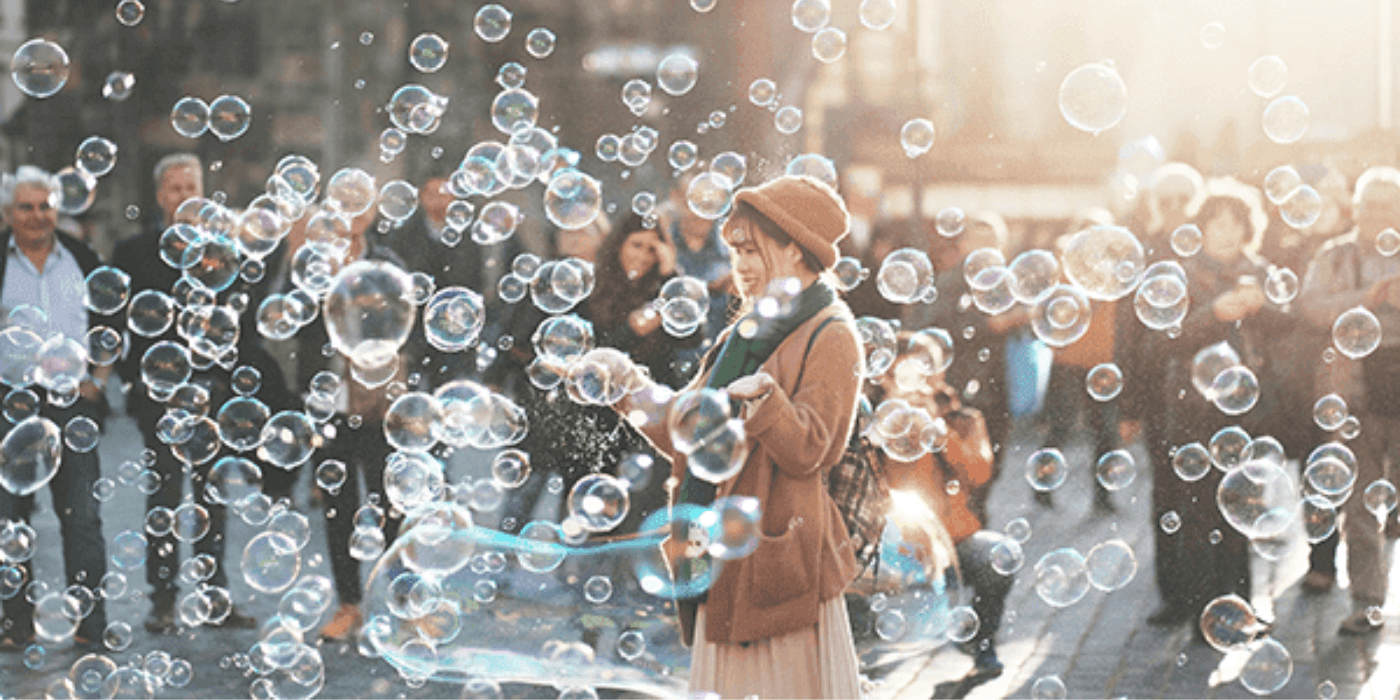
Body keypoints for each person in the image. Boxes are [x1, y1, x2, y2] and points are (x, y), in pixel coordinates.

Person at [618, 174, 863, 698]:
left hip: (779, 565)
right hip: (720, 554)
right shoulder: (744, 333)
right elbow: (691, 427)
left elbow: (813, 450)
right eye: (735, 251)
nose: (740, 266)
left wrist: (767, 403)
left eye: (751, 250)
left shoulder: (831, 331)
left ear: (795, 249)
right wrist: (626, 389)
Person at [111, 153, 265, 633]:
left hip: (213, 393)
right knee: (163, 499)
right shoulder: (133, 251)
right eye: (174, 188)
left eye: (190, 187)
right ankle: (162, 600)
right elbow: (118, 325)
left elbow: (243, 320)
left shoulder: (223, 251)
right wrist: (138, 380)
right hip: (159, 396)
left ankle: (213, 596)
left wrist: (227, 379)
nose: (183, 196)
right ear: (160, 196)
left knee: (212, 496)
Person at [1144, 179, 1292, 627]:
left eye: (1234, 223)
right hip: (1193, 410)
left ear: (1248, 228)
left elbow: (1292, 324)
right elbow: (1160, 340)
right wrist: (1215, 313)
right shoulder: (1183, 273)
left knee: (1243, 508)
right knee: (1196, 511)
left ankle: (1239, 606)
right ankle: (1199, 611)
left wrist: (1260, 308)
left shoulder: (1261, 270)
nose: (1225, 232)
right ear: (1201, 228)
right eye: (1216, 223)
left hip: (1250, 409)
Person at [0, 166, 111, 651]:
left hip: (72, 403)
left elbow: (112, 323)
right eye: (26, 206)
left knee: (82, 515)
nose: (37, 215)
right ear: (7, 212)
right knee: (8, 518)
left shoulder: (83, 257)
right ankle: (13, 625)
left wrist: (98, 382)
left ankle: (92, 623)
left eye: (45, 205)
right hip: (9, 402)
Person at [873, 332, 1011, 682]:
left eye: (928, 369)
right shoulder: (870, 421)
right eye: (908, 372)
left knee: (1000, 556)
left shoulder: (962, 418)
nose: (922, 379)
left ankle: (981, 642)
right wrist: (888, 424)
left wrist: (937, 430)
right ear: (888, 376)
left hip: (954, 539)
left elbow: (980, 474)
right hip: (891, 543)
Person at [1298, 166, 1400, 635]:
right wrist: (1372, 296)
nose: (1380, 212)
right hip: (1354, 390)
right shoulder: (1334, 255)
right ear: (1355, 208)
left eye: (1389, 203)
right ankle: (1368, 603)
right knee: (1361, 504)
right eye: (1371, 203)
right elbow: (1312, 307)